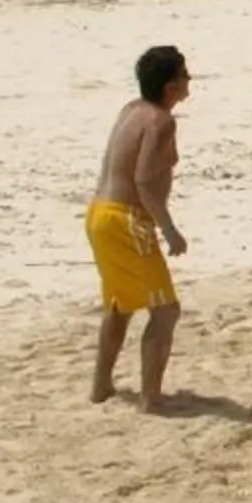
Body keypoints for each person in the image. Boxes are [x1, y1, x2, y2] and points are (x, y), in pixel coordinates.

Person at [86, 44, 191, 410]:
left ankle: (101, 386)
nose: (189, 80)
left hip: (99, 213)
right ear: (170, 86)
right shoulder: (161, 121)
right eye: (184, 74)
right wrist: (169, 229)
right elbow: (145, 180)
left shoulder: (132, 109)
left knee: (120, 304)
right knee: (165, 311)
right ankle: (151, 398)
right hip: (127, 218)